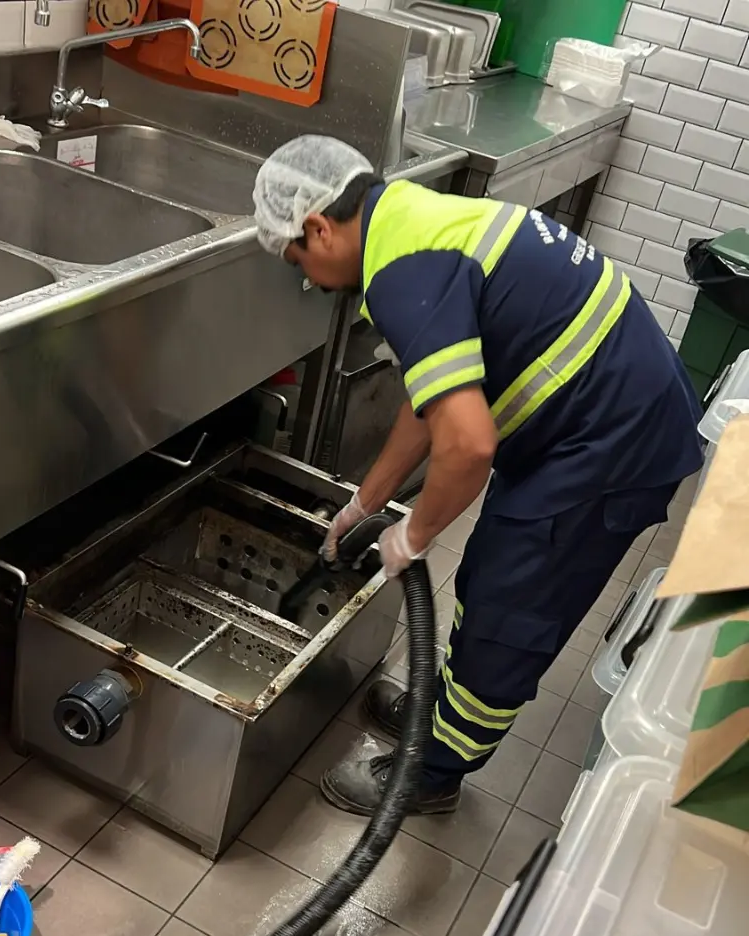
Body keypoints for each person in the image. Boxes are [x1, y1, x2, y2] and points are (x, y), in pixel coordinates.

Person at [252, 134, 703, 818]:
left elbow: (466, 446)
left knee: (508, 602)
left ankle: (433, 774)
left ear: (318, 225)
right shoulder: (407, 218)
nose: (309, 279)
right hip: (601, 411)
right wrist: (363, 503)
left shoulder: (401, 271)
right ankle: (439, 718)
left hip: (610, 442)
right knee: (492, 575)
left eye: (299, 258)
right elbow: (430, 400)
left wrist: (416, 531)